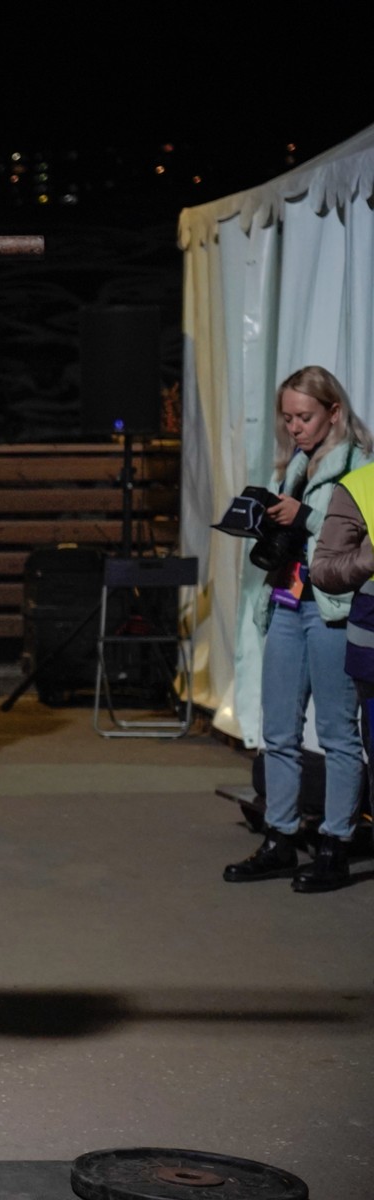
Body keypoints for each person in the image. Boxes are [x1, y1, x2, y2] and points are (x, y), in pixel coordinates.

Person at [226, 365, 371, 892]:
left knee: (337, 732)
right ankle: (279, 838)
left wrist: (303, 516)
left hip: (332, 610)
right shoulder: (295, 465)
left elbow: (358, 540)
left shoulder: (361, 466)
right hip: (286, 602)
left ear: (334, 411)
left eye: (304, 417)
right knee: (279, 731)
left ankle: (335, 845)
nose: (294, 427)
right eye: (287, 418)